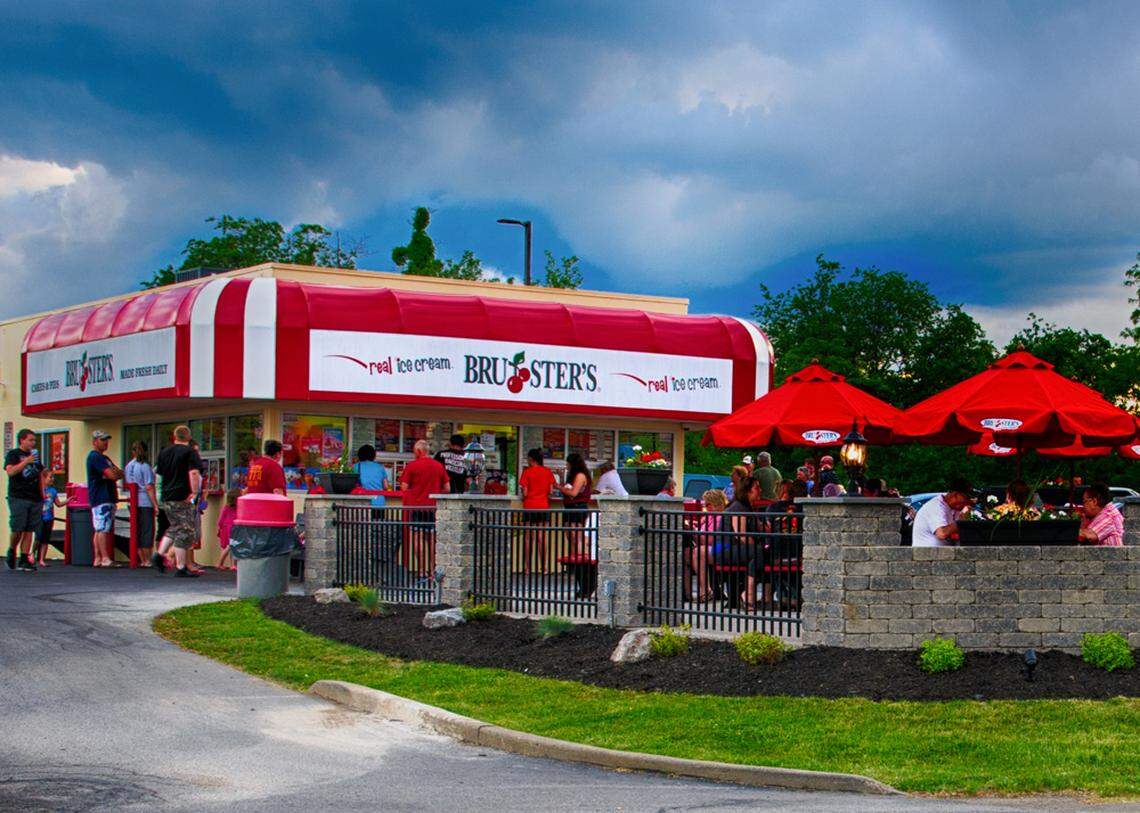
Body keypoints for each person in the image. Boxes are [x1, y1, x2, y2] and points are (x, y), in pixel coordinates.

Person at [151, 425, 204, 577]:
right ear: (188, 437)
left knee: (175, 526)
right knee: (185, 530)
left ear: (175, 436)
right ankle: (181, 567)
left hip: (167, 496)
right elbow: (193, 472)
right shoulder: (190, 452)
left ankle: (159, 554)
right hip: (182, 496)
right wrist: (194, 492)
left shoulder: (164, 452)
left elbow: (159, 475)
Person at [399, 439, 450, 570]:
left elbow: (404, 487)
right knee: (433, 539)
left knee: (417, 537)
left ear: (419, 451)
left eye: (414, 451)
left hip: (417, 507)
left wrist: (415, 493)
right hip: (433, 508)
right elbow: (447, 488)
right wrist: (435, 492)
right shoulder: (439, 466)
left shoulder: (412, 466)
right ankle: (433, 570)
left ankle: (421, 569)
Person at [5, 429, 43, 571]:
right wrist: (26, 461)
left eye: (34, 440)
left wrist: (43, 494)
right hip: (18, 496)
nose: (33, 443)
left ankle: (24, 558)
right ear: (22, 440)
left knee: (29, 529)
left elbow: (40, 475)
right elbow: (10, 472)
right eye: (30, 440)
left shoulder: (35, 456)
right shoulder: (13, 454)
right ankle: (11, 550)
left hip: (34, 496)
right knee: (18, 528)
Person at [87, 430, 123, 568]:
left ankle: (98, 557)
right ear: (95, 442)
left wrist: (114, 473)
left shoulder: (104, 458)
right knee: (102, 528)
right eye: (102, 440)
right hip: (101, 496)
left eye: (106, 440)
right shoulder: (95, 457)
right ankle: (105, 558)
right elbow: (113, 475)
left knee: (99, 528)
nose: (106, 443)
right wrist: (112, 473)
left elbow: (119, 472)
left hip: (107, 495)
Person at [519, 448, 556, 573]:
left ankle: (528, 567)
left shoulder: (527, 472)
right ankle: (544, 567)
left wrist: (524, 495)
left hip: (529, 506)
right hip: (543, 506)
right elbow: (551, 492)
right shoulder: (547, 472)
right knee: (542, 537)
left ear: (531, 459)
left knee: (528, 538)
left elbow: (524, 492)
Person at [911, 477, 973, 548]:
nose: (967, 502)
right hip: (926, 555)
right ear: (955, 495)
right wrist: (961, 523)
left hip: (940, 554)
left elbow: (954, 535)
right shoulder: (936, 506)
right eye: (966, 499)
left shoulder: (953, 509)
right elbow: (942, 533)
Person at [689, 488, 727, 602]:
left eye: (707, 504)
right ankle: (688, 592)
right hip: (710, 546)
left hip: (724, 546)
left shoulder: (722, 517)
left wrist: (695, 532)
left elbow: (711, 540)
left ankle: (705, 590)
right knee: (687, 553)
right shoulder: (709, 517)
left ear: (714, 503)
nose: (706, 508)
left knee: (699, 552)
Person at [125, 440, 157, 567]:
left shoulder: (128, 466)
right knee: (147, 531)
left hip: (132, 502)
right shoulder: (145, 466)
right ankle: (147, 559)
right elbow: (149, 487)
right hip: (144, 502)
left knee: (136, 531)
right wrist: (155, 504)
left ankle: (141, 558)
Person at [559, 453, 592, 555]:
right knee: (570, 537)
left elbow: (573, 493)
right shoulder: (573, 476)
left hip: (577, 508)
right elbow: (568, 488)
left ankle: (580, 561)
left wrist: (559, 487)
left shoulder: (580, 475)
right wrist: (561, 479)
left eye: (568, 464)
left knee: (576, 537)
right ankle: (574, 560)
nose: (566, 466)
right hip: (569, 508)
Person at [34, 468, 66, 567]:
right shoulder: (38, 490)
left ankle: (42, 559)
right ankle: (31, 554)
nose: (52, 479)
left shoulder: (53, 491)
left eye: (53, 477)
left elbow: (58, 504)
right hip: (40, 518)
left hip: (49, 518)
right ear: (43, 478)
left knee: (45, 540)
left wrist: (68, 500)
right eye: (50, 477)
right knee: (38, 538)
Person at [215, 488, 239, 570]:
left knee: (227, 547)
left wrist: (220, 528)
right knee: (232, 546)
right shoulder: (238, 508)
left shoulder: (226, 507)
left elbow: (221, 520)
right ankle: (223, 563)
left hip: (225, 528)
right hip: (234, 528)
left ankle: (229, 564)